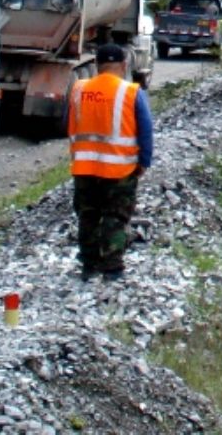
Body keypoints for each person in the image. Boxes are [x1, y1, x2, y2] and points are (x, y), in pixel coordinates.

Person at [67, 43, 152, 280]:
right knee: (115, 216)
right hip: (119, 169)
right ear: (124, 65)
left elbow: (70, 125)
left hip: (84, 167)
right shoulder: (131, 92)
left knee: (88, 215)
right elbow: (145, 131)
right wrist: (143, 162)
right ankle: (112, 267)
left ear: (96, 65)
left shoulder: (79, 89)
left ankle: (89, 265)